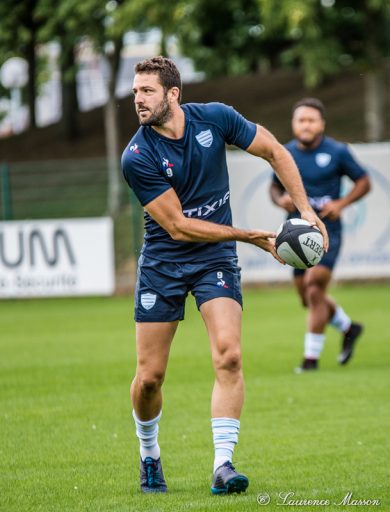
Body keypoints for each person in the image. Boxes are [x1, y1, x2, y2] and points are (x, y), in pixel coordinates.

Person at [121, 57, 327, 495]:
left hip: (214, 258)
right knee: (150, 376)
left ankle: (223, 465)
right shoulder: (137, 156)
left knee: (229, 355)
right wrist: (249, 235)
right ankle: (149, 452)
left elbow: (275, 150)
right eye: (135, 91)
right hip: (164, 262)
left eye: (147, 91)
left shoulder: (216, 118)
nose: (138, 99)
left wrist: (306, 211)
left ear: (173, 94)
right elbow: (177, 225)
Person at [270, 97, 371, 373]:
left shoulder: (338, 152)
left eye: (311, 120)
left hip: (327, 232)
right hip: (294, 236)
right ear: (294, 124)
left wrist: (341, 203)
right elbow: (274, 188)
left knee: (315, 288)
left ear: (321, 124)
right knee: (307, 297)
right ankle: (348, 327)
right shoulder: (284, 153)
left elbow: (364, 181)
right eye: (301, 120)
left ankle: (310, 359)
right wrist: (280, 201)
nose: (306, 125)